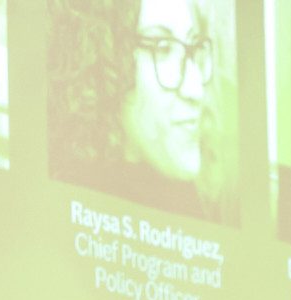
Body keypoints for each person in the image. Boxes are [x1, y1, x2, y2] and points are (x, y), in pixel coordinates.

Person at [48, 0, 225, 219]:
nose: (195, 90)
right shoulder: (66, 204)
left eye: (195, 47)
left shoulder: (187, 200)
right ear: (107, 59)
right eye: (163, 48)